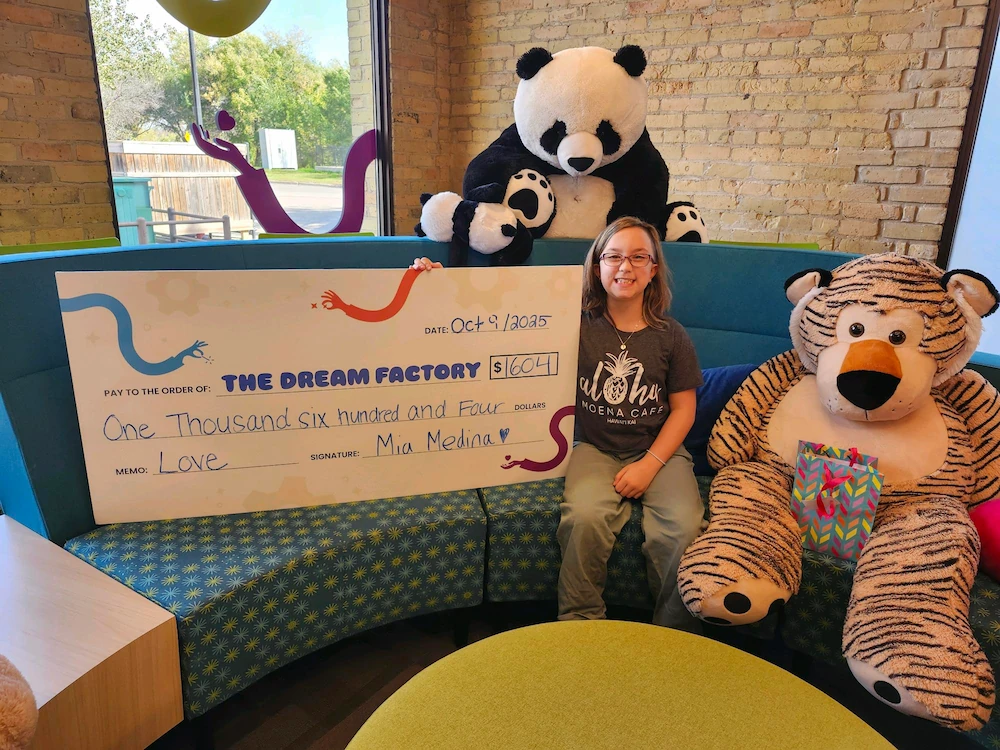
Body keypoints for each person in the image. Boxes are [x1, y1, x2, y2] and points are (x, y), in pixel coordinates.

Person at [411, 215, 704, 631]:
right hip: (593, 447)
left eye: (640, 257)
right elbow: (498, 321)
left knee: (683, 529)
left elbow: (684, 410)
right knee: (583, 518)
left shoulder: (670, 335)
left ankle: (676, 634)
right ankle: (580, 625)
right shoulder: (571, 320)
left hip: (659, 450)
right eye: (615, 256)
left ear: (654, 269)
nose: (626, 267)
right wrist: (444, 286)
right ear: (597, 265)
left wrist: (649, 465)